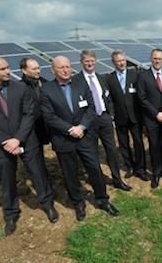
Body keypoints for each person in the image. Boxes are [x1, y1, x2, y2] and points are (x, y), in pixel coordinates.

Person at [0, 55, 58, 236]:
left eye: (8, 67)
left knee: (38, 173)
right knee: (7, 179)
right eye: (2, 69)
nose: (8, 71)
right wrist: (6, 141)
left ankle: (47, 204)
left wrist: (17, 139)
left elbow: (28, 115)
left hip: (27, 139)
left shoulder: (20, 88)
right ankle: (11, 214)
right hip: (1, 144)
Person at [40, 55, 119, 221]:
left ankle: (102, 199)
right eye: (61, 67)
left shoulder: (80, 83)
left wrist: (82, 127)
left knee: (95, 168)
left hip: (85, 136)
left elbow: (91, 108)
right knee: (70, 174)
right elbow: (49, 116)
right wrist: (70, 129)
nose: (66, 70)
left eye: (68, 66)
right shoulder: (46, 90)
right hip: (63, 139)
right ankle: (78, 203)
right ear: (52, 70)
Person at [74, 50, 132, 191]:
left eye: (92, 61)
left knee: (111, 150)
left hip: (104, 118)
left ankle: (117, 180)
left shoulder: (102, 78)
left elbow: (108, 98)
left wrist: (110, 115)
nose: (90, 63)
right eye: (87, 61)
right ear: (81, 62)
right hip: (88, 122)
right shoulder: (76, 81)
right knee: (93, 153)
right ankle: (98, 182)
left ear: (96, 61)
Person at [106, 50, 149, 182]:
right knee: (124, 143)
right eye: (118, 61)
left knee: (138, 142)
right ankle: (129, 166)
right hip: (120, 117)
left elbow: (141, 96)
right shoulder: (110, 78)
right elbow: (110, 99)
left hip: (135, 116)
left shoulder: (135, 75)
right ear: (113, 63)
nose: (121, 63)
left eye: (123, 60)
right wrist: (112, 116)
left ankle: (140, 168)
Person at [136, 49, 162, 188]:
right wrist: (156, 113)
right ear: (151, 59)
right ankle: (156, 173)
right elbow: (142, 98)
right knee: (154, 146)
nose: (157, 61)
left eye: (160, 58)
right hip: (152, 118)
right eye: (155, 58)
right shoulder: (143, 76)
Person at [19, 57, 50, 147]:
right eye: (34, 69)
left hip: (49, 126)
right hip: (33, 129)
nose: (38, 71)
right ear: (24, 70)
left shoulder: (47, 84)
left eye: (38, 68)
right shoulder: (20, 88)